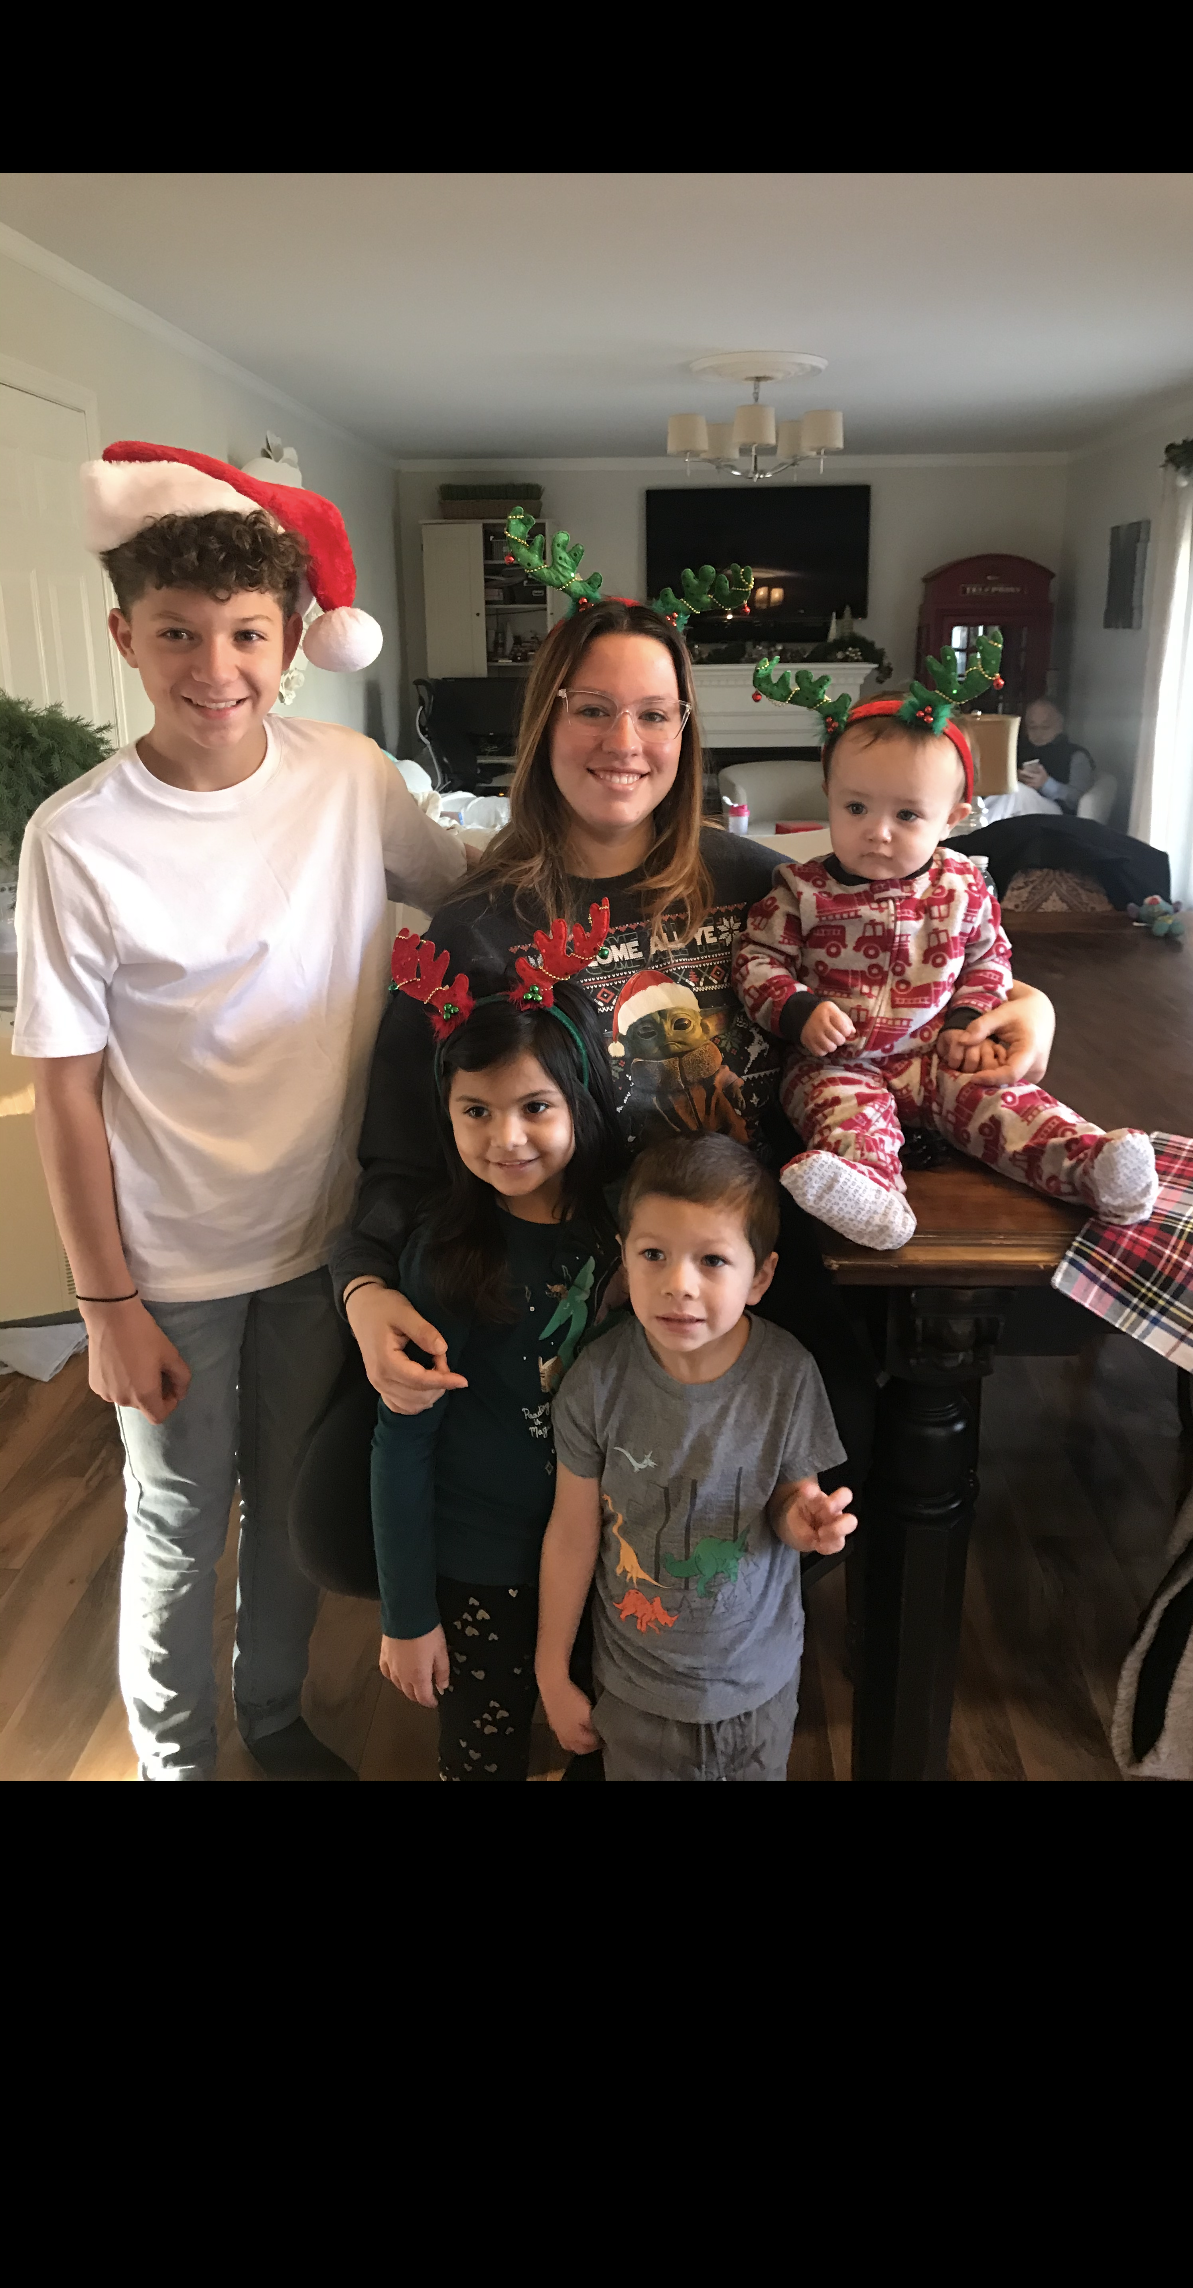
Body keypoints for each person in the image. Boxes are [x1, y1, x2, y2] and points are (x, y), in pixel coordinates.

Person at [329, 586, 1059, 1512]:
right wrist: (360, 1285)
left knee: (841, 1471)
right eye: (591, 709)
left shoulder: (764, 885)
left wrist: (1030, 1011)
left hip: (759, 1277)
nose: (623, 743)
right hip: (582, 1297)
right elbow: (399, 1153)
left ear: (685, 731)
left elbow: (915, 987)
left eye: (653, 714)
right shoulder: (474, 936)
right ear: (545, 720)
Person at [14, 447, 469, 1782]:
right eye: (176, 634)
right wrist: (103, 1307)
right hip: (164, 1264)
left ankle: (269, 1714)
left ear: (292, 644)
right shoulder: (77, 837)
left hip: (322, 1244)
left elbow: (467, 892)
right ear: (125, 636)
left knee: (284, 1515)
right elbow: (65, 1087)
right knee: (175, 1518)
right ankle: (175, 1757)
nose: (213, 667)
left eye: (246, 635)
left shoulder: (349, 778)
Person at [733, 689, 1157, 1253]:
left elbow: (989, 960)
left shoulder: (963, 886)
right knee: (845, 1120)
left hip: (937, 1054)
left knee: (1005, 1104)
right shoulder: (800, 892)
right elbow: (756, 960)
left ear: (952, 819)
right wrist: (796, 1009)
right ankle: (872, 1196)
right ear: (829, 796)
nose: (877, 832)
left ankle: (1091, 1164)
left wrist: (967, 1019)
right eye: (856, 808)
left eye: (906, 814)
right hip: (833, 1062)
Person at [536, 1136, 855, 1782]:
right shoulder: (596, 1382)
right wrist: (550, 1668)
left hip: (757, 1689)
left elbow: (792, 1499)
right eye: (654, 1255)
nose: (679, 1285)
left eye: (712, 1260)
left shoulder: (787, 1374)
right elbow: (572, 1532)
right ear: (624, 1259)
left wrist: (806, 1520)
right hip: (635, 1696)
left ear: (759, 1277)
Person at [372, 983, 626, 1779]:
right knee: (482, 1758)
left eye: (534, 1108)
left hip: (612, 1559)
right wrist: (408, 1616)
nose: (505, 1138)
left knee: (604, 1741)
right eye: (475, 1110)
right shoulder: (447, 1257)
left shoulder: (631, 1238)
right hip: (482, 1564)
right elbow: (401, 1444)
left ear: (580, 1105)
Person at [1016, 699, 1095, 813]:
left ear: (1061, 724)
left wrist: (1046, 784)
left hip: (1056, 813)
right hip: (1020, 809)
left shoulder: (1076, 755)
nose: (1038, 733)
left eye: (1045, 727)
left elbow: (1078, 799)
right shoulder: (1019, 750)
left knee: (1018, 792)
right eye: (1032, 727)